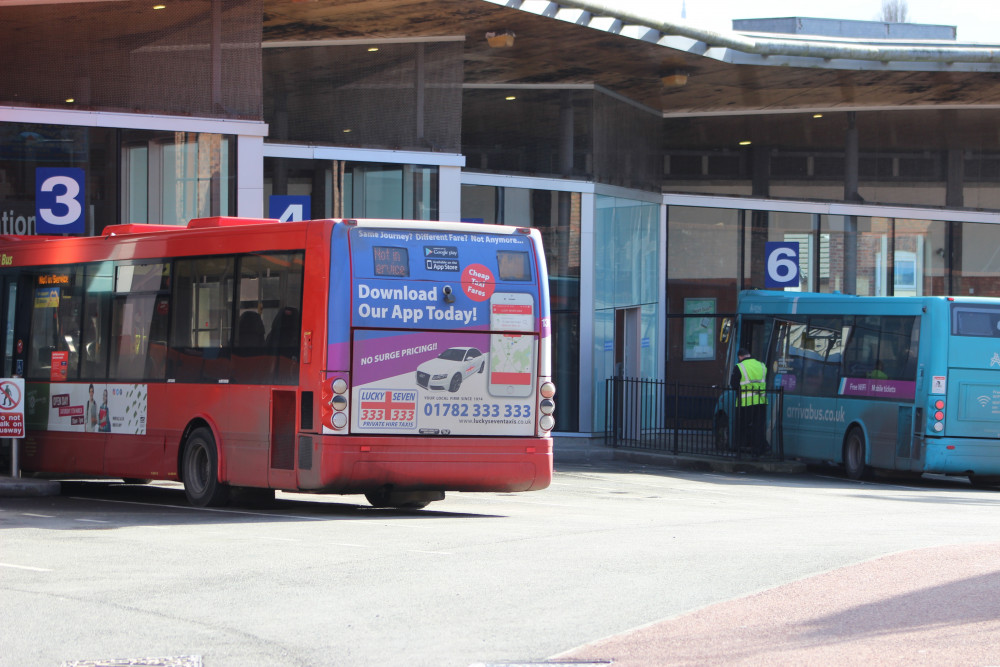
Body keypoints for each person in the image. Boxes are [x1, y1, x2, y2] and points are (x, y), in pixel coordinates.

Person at [731, 347, 768, 454]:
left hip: (745, 403)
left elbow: (733, 385)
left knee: (742, 426)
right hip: (761, 401)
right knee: (758, 427)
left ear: (740, 357)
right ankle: (758, 451)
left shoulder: (740, 366)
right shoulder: (762, 365)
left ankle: (740, 449)